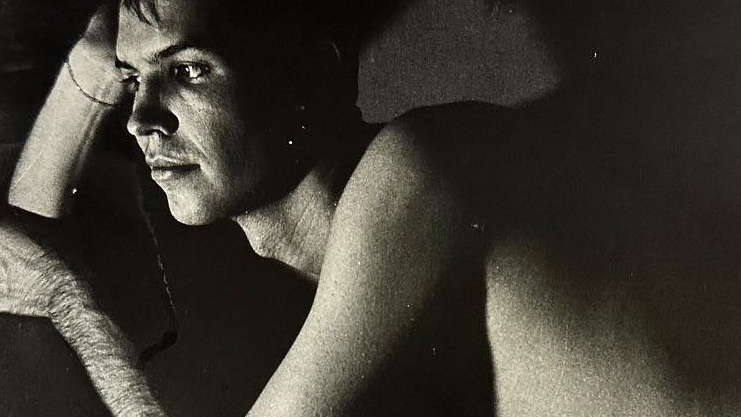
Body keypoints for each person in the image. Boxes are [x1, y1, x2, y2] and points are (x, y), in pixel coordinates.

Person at [4, 0, 741, 416]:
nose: (141, 119)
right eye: (132, 80)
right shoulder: (379, 301)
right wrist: (91, 69)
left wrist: (72, 307)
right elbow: (17, 278)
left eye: (189, 70)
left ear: (307, 75)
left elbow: (37, 289)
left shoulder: (421, 170)